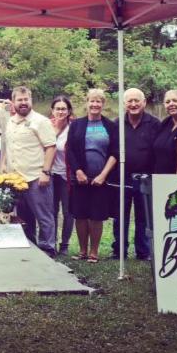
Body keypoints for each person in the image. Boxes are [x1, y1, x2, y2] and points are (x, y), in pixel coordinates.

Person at [66, 88, 118, 264]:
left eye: (99, 101)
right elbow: (70, 150)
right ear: (86, 103)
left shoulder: (111, 126)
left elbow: (115, 152)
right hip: (80, 177)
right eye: (92, 101)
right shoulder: (76, 124)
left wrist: (103, 175)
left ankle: (94, 252)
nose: (95, 104)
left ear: (103, 104)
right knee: (80, 215)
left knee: (96, 215)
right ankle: (82, 250)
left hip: (101, 178)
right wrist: (78, 171)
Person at [5, 86, 57, 258]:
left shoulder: (41, 121)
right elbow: (8, 147)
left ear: (31, 100)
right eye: (19, 100)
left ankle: (48, 249)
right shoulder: (10, 121)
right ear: (13, 102)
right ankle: (30, 247)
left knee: (44, 216)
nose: (23, 103)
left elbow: (50, 147)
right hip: (16, 180)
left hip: (36, 177)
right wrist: (4, 172)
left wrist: (45, 172)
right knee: (24, 218)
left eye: (26, 99)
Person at [112, 88, 160, 261]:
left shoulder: (155, 123)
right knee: (120, 216)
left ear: (144, 102)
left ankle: (143, 251)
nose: (133, 104)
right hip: (122, 177)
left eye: (136, 101)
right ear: (124, 104)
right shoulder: (117, 123)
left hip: (145, 177)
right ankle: (119, 250)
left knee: (144, 216)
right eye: (129, 101)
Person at [49, 95, 74, 256]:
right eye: (57, 108)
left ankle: (64, 244)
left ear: (69, 111)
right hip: (51, 175)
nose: (60, 111)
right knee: (51, 211)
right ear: (52, 110)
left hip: (67, 176)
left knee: (68, 212)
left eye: (63, 108)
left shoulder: (73, 128)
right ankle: (50, 242)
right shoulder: (46, 126)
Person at [153, 89, 177, 174]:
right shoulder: (164, 123)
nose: (171, 104)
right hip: (160, 177)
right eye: (167, 102)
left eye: (175, 101)